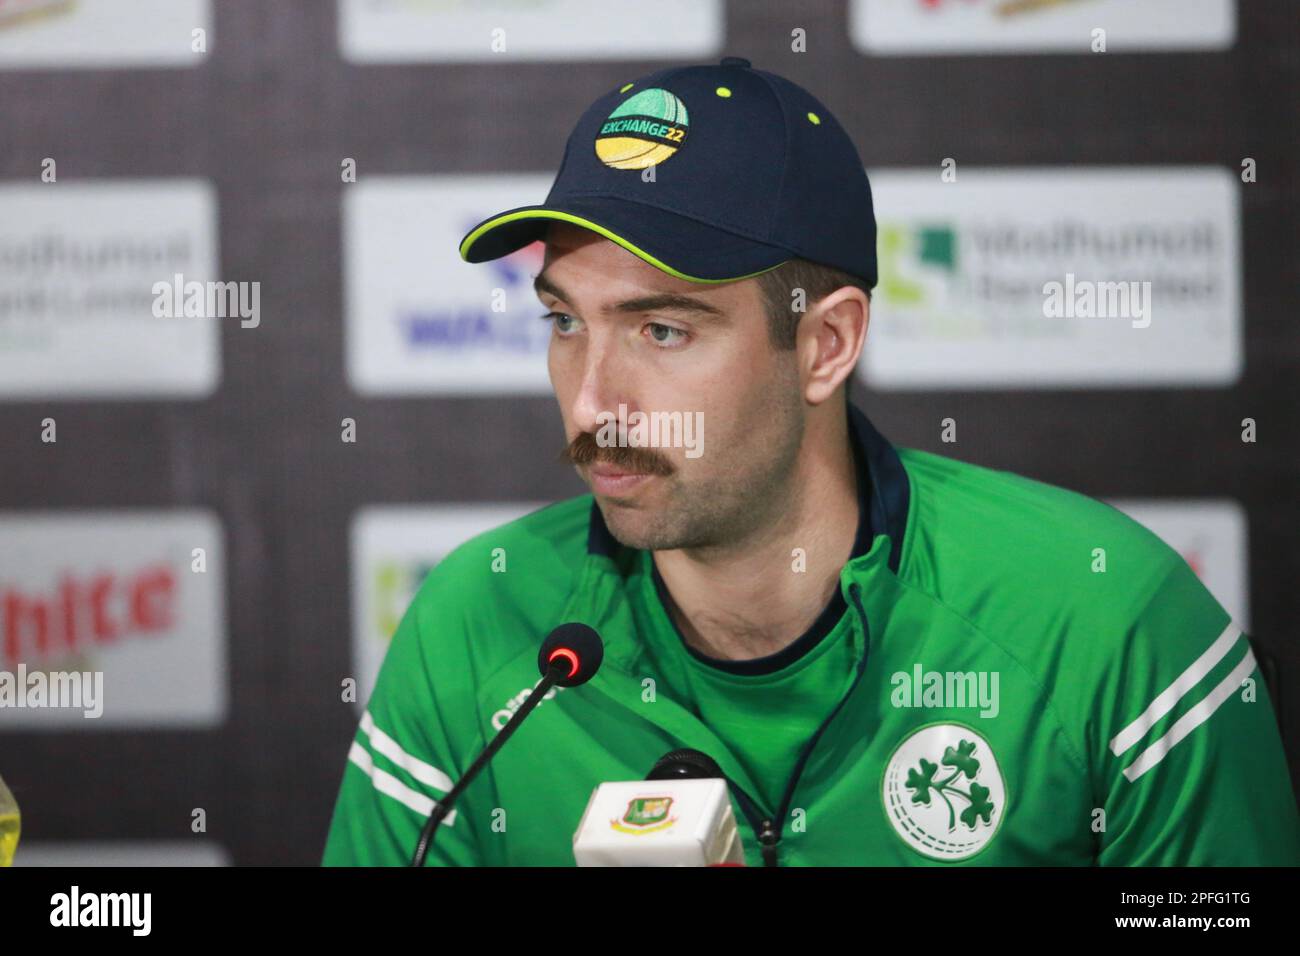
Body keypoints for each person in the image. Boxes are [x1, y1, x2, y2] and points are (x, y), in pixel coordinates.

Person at [323, 58, 1299, 866]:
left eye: (662, 329)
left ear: (825, 345)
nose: (589, 403)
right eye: (564, 322)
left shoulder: (1106, 620)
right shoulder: (474, 627)